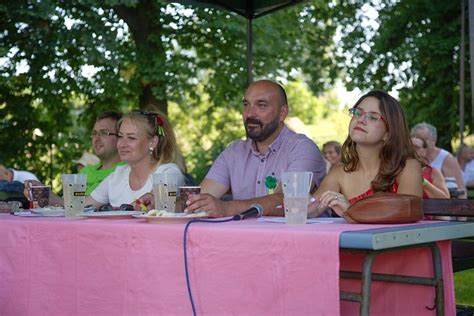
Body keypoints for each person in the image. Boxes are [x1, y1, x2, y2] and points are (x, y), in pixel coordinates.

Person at [180, 79, 326, 217]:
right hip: (243, 240)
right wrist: (162, 202)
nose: (250, 113)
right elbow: (198, 199)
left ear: (282, 113)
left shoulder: (302, 148)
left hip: (294, 241)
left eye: (261, 105)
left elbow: (287, 201)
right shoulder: (234, 152)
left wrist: (226, 208)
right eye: (246, 105)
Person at [309, 90, 423, 218]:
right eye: (357, 113)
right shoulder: (339, 172)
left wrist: (351, 212)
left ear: (389, 133)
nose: (361, 120)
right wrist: (295, 197)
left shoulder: (408, 167)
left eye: (373, 117)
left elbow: (406, 212)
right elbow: (311, 208)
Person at [86, 110, 184, 208]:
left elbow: (159, 201)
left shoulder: (168, 171)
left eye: (131, 138)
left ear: (153, 142)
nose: (122, 144)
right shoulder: (117, 176)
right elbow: (82, 206)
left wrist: (151, 200)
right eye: (120, 136)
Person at [411, 122, 467, 199]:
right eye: (418, 138)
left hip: (443, 206)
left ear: (434, 140)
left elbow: (461, 190)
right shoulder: (409, 160)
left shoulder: (446, 158)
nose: (420, 142)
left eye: (425, 139)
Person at [79, 111, 125, 195]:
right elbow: (68, 204)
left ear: (120, 137)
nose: (96, 139)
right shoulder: (85, 172)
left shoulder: (127, 170)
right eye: (94, 133)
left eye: (104, 133)